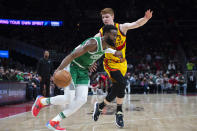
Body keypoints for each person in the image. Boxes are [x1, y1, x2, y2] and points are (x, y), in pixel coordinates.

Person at [32, 25, 123, 131]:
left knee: (82, 99)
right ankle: (42, 101)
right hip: (72, 68)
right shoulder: (93, 43)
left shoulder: (107, 46)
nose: (115, 37)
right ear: (106, 34)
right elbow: (72, 55)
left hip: (83, 71)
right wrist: (58, 70)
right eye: (114, 35)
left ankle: (54, 121)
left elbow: (112, 52)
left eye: (116, 35)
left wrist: (119, 55)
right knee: (68, 98)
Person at [93, 8, 153, 128]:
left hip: (122, 63)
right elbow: (91, 45)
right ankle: (119, 112)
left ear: (113, 17)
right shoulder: (100, 33)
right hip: (110, 63)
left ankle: (101, 106)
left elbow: (136, 24)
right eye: (103, 17)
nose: (105, 19)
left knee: (119, 87)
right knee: (122, 83)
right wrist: (91, 61)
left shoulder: (122, 28)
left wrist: (145, 19)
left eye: (107, 17)